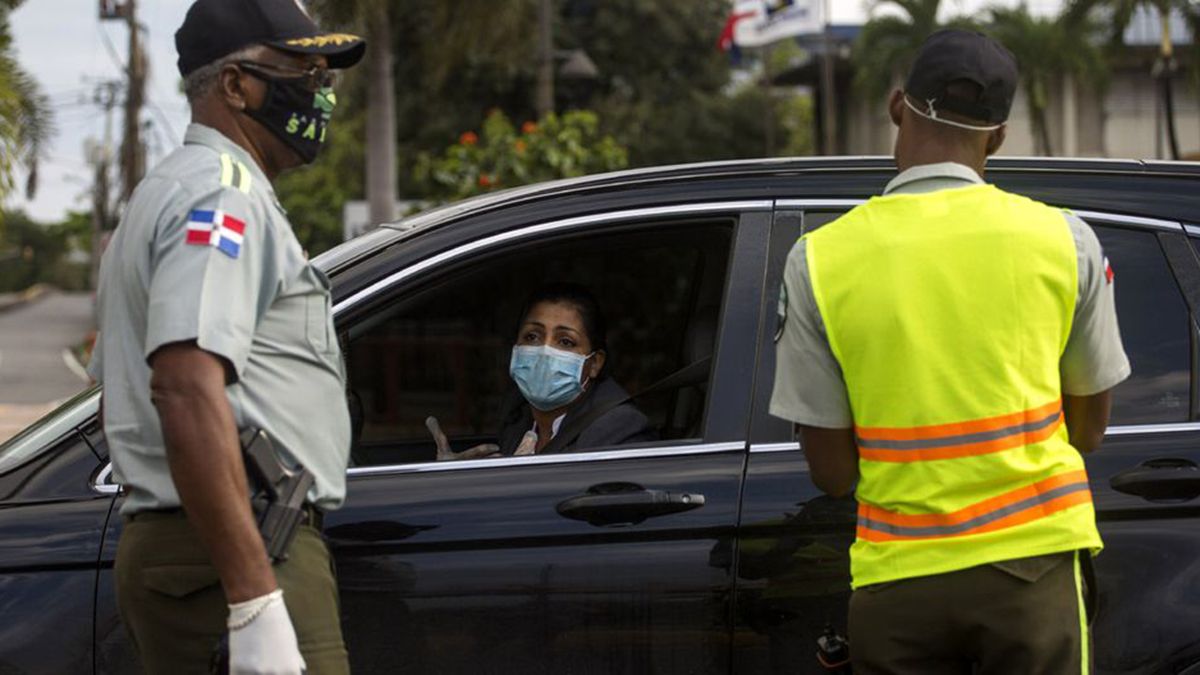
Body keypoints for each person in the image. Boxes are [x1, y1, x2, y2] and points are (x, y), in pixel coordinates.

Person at [769, 29, 1130, 674]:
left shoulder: (819, 259)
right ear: (997, 136)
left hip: (899, 578)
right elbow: (1091, 429)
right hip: (1034, 570)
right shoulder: (1065, 242)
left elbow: (831, 471)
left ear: (896, 106)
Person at [87, 1, 365, 673]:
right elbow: (183, 387)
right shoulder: (222, 196)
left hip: (203, 547)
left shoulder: (167, 191)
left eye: (325, 74)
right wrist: (254, 600)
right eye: (303, 70)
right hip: (236, 550)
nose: (320, 93)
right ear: (237, 86)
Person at [496, 283, 656, 456]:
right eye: (532, 336)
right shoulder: (517, 416)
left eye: (566, 342)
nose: (545, 351)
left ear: (594, 363)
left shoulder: (619, 429)